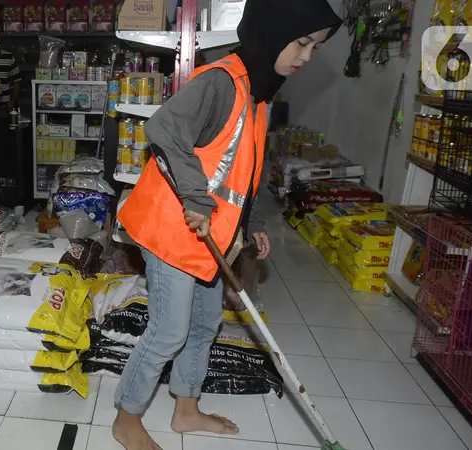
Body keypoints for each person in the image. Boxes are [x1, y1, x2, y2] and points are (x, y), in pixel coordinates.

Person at [113, 1, 342, 449]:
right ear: (272, 32)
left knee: (204, 325)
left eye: (315, 47)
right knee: (168, 331)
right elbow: (164, 127)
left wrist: (251, 219)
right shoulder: (221, 81)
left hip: (210, 236)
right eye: (301, 43)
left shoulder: (259, 93)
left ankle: (185, 409)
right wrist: (197, 197)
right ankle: (127, 417)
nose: (307, 56)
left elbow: (244, 167)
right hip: (173, 230)